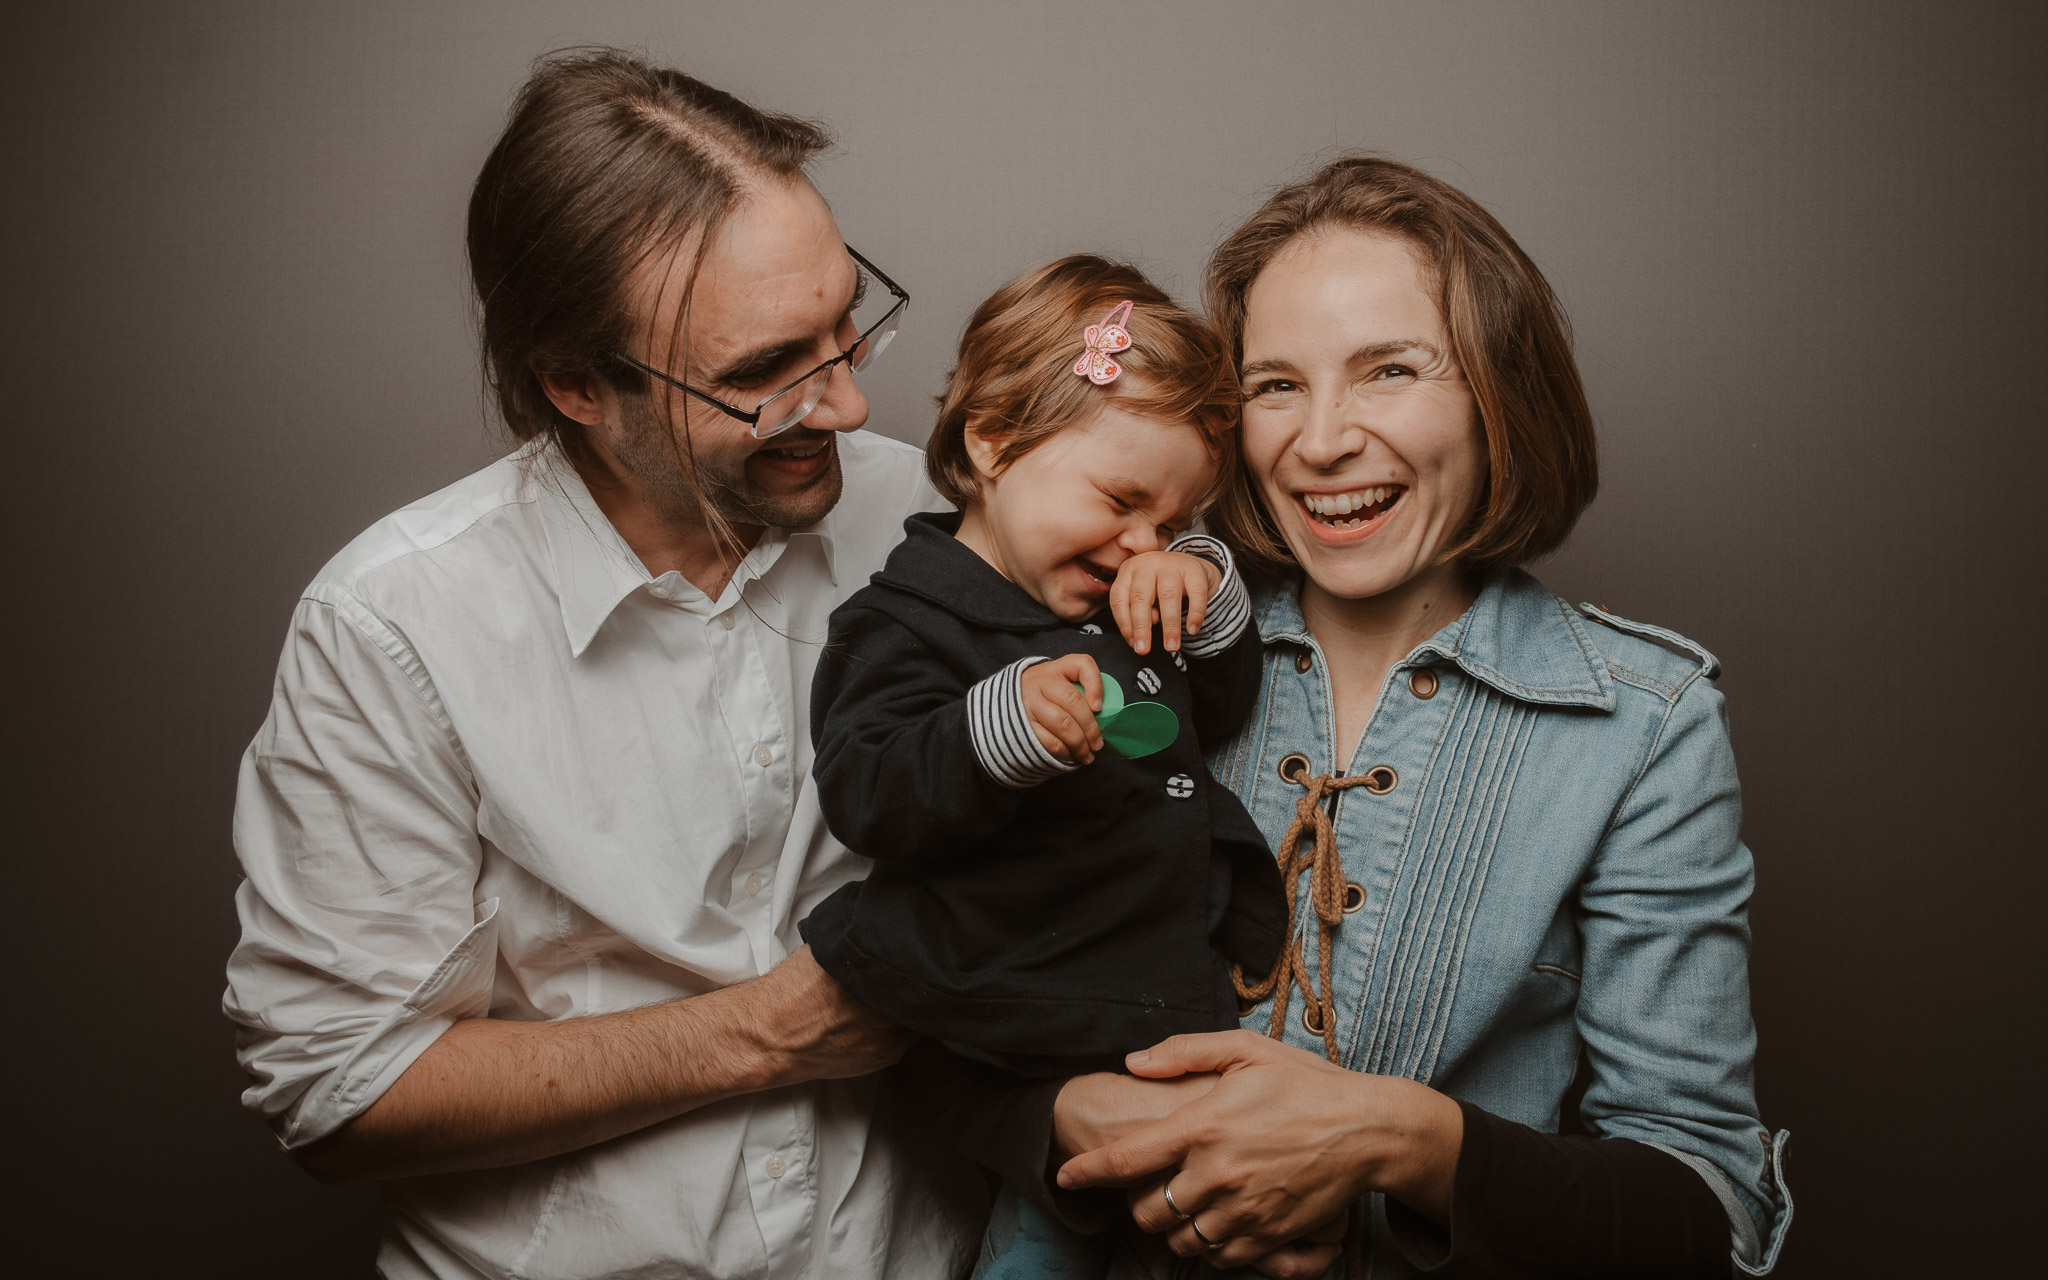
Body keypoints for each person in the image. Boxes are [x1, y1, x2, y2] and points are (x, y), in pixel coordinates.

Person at [935, 157, 1796, 1279]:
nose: (1323, 439)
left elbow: (1705, 1208)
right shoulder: (1107, 637)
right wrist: (1063, 1117)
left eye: (1387, 369)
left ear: (1500, 391)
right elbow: (918, 977)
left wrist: (1396, 1139)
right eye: (1276, 386)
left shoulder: (1640, 726)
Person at [221, 50, 983, 1279]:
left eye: (847, 323)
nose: (844, 405)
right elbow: (338, 1087)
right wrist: (763, 1034)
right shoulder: (391, 625)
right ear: (573, 381)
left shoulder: (946, 524)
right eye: (763, 372)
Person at [802, 255, 1288, 1277]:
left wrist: (1199, 580)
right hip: (1021, 1022)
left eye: (1171, 518)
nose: (1137, 541)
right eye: (1120, 498)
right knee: (1047, 1246)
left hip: (1166, 1000)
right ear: (993, 440)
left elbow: (1225, 703)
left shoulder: (1127, 587)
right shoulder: (901, 619)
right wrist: (997, 728)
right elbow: (867, 789)